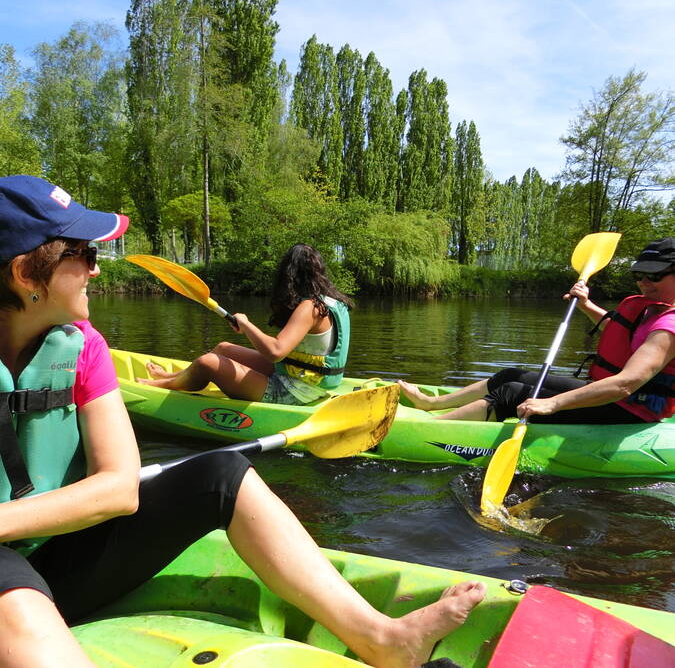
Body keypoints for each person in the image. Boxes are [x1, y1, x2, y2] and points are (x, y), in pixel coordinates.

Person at [0, 175, 484, 668]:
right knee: (12, 590)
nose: (94, 271)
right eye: (83, 255)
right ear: (24, 272)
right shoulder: (327, 304)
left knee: (223, 474)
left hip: (65, 553)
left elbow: (120, 488)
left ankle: (383, 637)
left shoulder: (86, 347)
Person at [399, 237, 675, 425]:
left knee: (514, 393)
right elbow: (619, 331)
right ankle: (431, 404)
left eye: (654, 276)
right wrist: (586, 304)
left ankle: (431, 429)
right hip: (613, 395)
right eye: (639, 275)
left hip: (629, 408)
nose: (644, 283)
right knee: (511, 375)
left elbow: (625, 383)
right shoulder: (651, 307)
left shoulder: (670, 327)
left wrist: (552, 404)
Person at [137, 243, 352, 405]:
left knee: (208, 363)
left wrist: (247, 324)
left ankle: (160, 386)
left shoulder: (310, 307)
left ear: (289, 274)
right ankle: (173, 377)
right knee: (222, 348)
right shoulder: (333, 303)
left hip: (296, 392)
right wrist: (246, 327)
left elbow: (276, 351)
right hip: (306, 380)